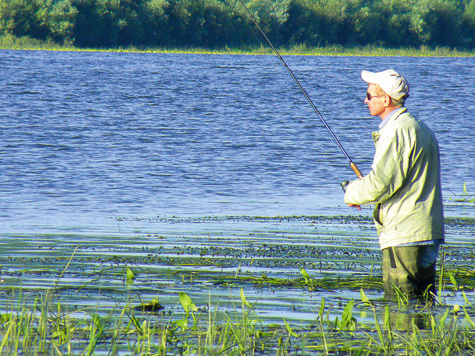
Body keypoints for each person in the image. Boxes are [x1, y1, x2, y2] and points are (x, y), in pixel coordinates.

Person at [342, 69, 444, 301]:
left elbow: (380, 183)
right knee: (424, 302)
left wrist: (352, 193)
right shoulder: (419, 127)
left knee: (401, 305)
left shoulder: (395, 131)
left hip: (404, 234)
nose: (365, 100)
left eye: (369, 95)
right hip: (427, 230)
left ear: (385, 99)